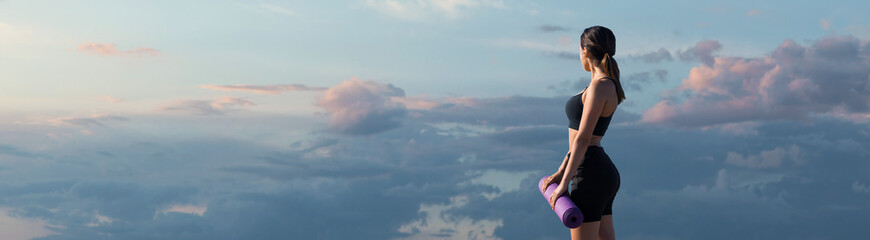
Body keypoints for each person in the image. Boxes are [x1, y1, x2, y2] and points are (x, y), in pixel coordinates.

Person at [540, 25, 625, 240]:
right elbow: (581, 140)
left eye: (579, 51)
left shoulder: (601, 86)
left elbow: (583, 138)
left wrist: (565, 181)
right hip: (598, 170)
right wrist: (561, 171)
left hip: (589, 172)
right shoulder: (605, 85)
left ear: (585, 51)